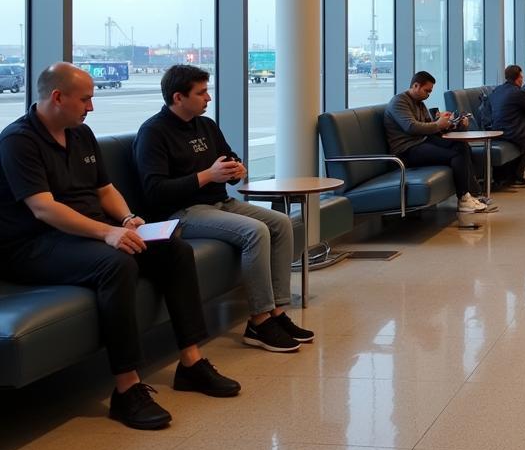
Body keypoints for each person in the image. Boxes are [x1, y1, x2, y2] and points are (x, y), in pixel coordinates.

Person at [0, 63, 241, 430]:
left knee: (174, 249)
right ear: (57, 97)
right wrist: (106, 233)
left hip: (86, 232)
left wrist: (127, 220)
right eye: (85, 99)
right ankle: (126, 388)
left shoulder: (80, 133)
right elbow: (43, 208)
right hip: (34, 244)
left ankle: (191, 362)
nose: (91, 107)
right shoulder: (19, 141)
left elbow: (104, 190)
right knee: (117, 263)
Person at [134, 64, 312, 354]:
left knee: (280, 223)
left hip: (221, 203)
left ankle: (277, 312)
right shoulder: (153, 133)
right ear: (178, 97)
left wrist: (235, 168)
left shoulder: (205, 125)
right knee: (255, 231)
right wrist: (207, 176)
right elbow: (154, 191)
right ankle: (258, 320)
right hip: (183, 212)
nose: (208, 98)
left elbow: (227, 156)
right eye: (201, 92)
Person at [383, 71, 490, 213]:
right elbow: (411, 127)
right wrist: (439, 124)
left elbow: (429, 125)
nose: (428, 95)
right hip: (407, 150)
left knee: (461, 145)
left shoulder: (419, 103)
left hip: (422, 141)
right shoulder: (399, 101)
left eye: (430, 92)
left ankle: (472, 193)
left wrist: (450, 123)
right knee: (455, 154)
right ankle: (464, 199)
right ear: (415, 85)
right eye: (426, 91)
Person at [487, 64, 525, 187]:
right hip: (512, 131)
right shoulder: (519, 93)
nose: (522, 79)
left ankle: (519, 171)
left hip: (496, 130)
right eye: (521, 76)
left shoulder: (497, 90)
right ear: (518, 78)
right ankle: (521, 173)